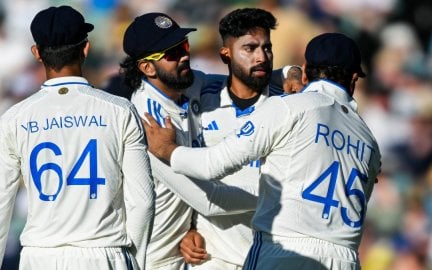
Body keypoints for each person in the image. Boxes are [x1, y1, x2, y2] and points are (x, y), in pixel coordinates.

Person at [143, 32, 381, 269]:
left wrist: (169, 150)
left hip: (284, 250)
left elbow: (213, 164)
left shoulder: (290, 107)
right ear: (353, 79)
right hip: (346, 259)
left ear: (305, 70)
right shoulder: (370, 141)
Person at [0, 6, 154, 270]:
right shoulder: (120, 110)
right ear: (86, 49)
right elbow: (142, 202)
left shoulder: (14, 118)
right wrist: (132, 262)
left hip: (39, 257)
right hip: (103, 253)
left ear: (37, 53)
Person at [152, 8, 281, 269]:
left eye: (266, 48)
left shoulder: (286, 107)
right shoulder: (203, 96)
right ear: (226, 54)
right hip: (212, 258)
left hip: (268, 256)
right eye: (249, 48)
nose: (261, 57)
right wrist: (188, 229)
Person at [120, 12, 223, 270]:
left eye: (184, 46)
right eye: (172, 53)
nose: (184, 56)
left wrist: (287, 73)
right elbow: (206, 200)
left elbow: (239, 82)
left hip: (179, 253)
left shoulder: (185, 82)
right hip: (149, 258)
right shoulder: (147, 122)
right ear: (146, 67)